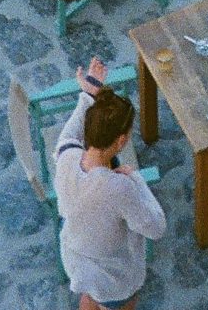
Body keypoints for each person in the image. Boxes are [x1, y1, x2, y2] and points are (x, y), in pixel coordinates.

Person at [55, 56, 166, 310]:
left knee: (90, 299)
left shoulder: (66, 155)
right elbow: (156, 227)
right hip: (112, 277)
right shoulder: (120, 188)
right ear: (120, 142)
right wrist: (135, 179)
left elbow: (73, 129)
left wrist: (90, 91)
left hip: (77, 261)